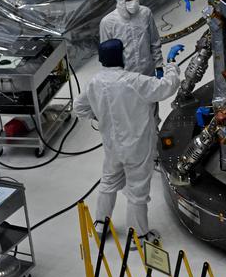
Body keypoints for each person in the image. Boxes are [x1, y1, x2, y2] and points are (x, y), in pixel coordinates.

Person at [74, 39, 185, 245]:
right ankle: (138, 236)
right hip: (137, 146)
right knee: (137, 191)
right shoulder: (134, 81)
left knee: (108, 182)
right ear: (122, 56)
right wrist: (170, 64)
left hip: (112, 145)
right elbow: (166, 88)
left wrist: (100, 117)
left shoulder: (94, 82)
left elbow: (79, 107)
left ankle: (100, 225)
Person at [100, 0, 163, 78]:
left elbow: (154, 42)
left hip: (148, 73)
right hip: (125, 78)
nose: (134, 1)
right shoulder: (108, 23)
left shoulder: (145, 13)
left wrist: (159, 66)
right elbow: (107, 57)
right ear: (121, 1)